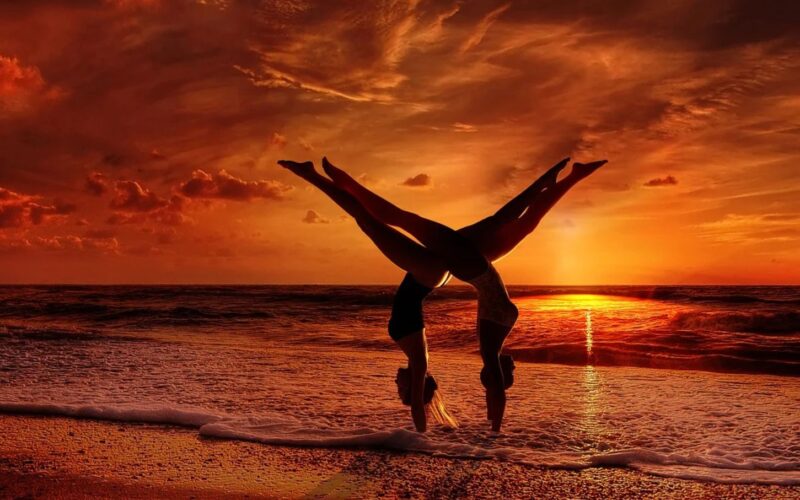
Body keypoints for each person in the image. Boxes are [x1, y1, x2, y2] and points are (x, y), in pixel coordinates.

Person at [278, 156, 606, 432]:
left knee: (510, 222)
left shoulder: (497, 331)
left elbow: (494, 388)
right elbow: (494, 387)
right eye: (495, 377)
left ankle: (562, 179)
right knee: (408, 219)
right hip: (463, 269)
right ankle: (323, 178)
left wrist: (490, 418)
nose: (510, 369)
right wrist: (494, 432)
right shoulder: (483, 347)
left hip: (461, 270)